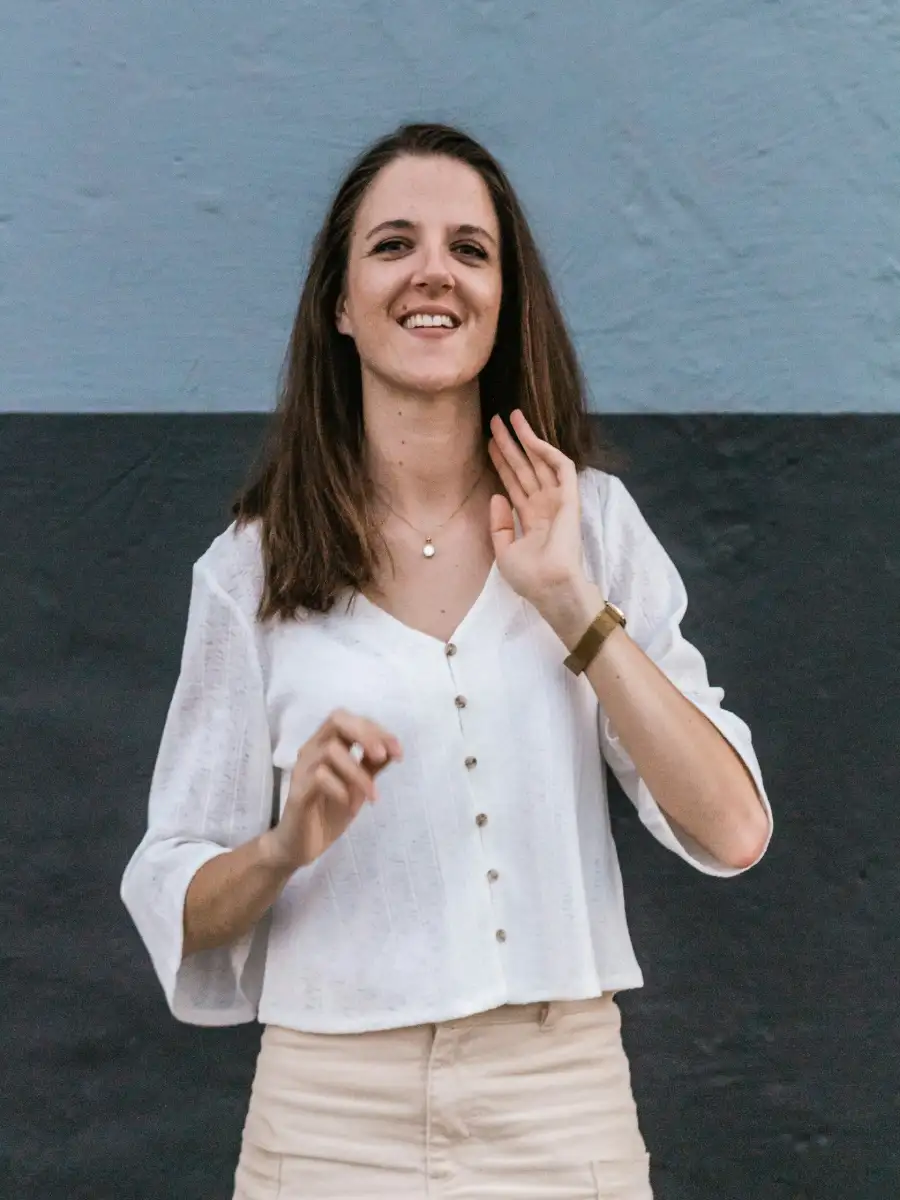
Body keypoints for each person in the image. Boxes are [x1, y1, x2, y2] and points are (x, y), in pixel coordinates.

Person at [121, 122, 773, 1200]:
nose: (434, 271)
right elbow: (173, 887)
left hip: (560, 1104)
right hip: (327, 1115)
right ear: (339, 302)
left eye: (470, 249)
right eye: (393, 245)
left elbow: (735, 828)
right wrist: (288, 843)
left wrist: (572, 601)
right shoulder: (252, 568)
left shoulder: (592, 527)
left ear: (506, 299)